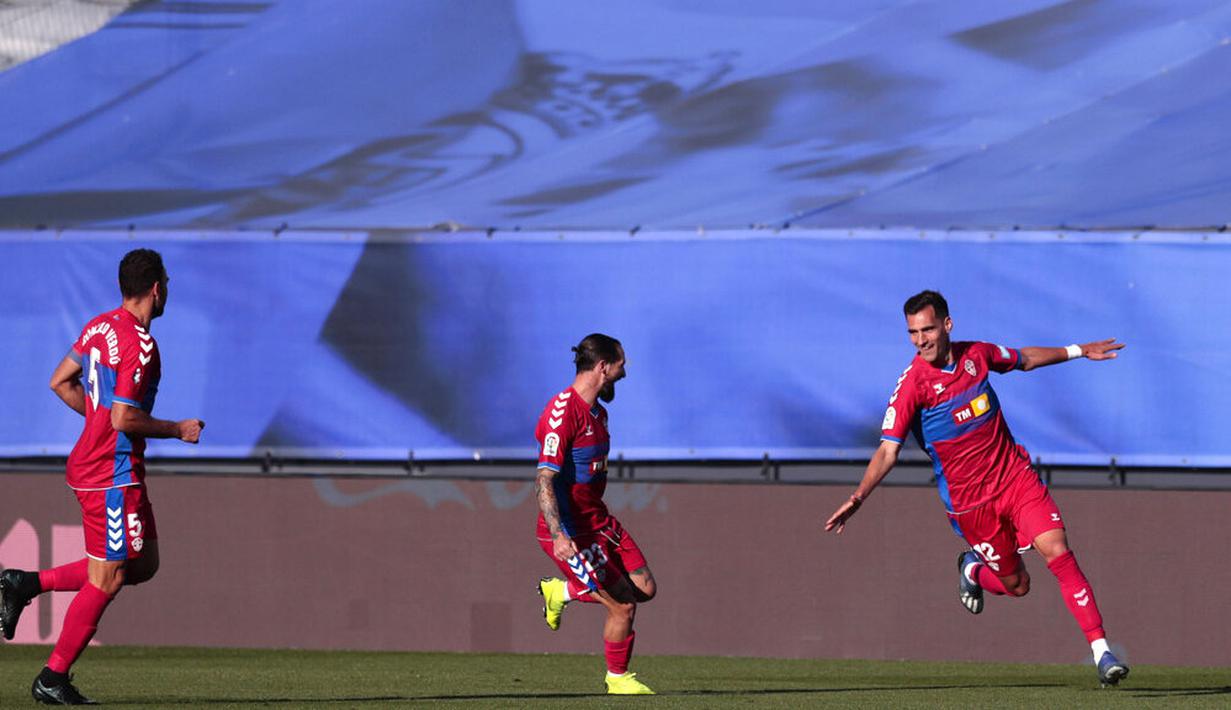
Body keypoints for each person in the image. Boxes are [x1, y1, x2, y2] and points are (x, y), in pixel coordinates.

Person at [824, 290, 1130, 687]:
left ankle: (1101, 652)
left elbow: (1025, 359)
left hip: (1015, 478)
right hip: (972, 506)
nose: (921, 341)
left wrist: (1079, 351)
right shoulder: (913, 386)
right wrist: (858, 498)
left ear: (947, 325)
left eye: (928, 330)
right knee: (1018, 586)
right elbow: (887, 451)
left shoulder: (977, 356)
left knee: (1058, 549)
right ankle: (972, 569)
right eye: (913, 333)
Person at [0, 248, 204, 705]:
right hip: (109, 474)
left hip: (107, 466)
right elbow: (123, 418)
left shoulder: (99, 327)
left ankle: (26, 583)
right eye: (167, 284)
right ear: (157, 289)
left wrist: (98, 420)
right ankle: (52, 677)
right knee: (108, 576)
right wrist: (178, 429)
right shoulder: (140, 345)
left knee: (142, 563)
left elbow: (60, 381)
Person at [534, 334, 657, 695]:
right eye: (621, 365)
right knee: (622, 606)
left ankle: (561, 592)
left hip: (599, 521)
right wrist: (558, 534)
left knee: (644, 589)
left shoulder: (599, 413)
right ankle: (617, 678)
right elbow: (544, 479)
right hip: (572, 530)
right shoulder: (561, 414)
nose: (625, 373)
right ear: (603, 366)